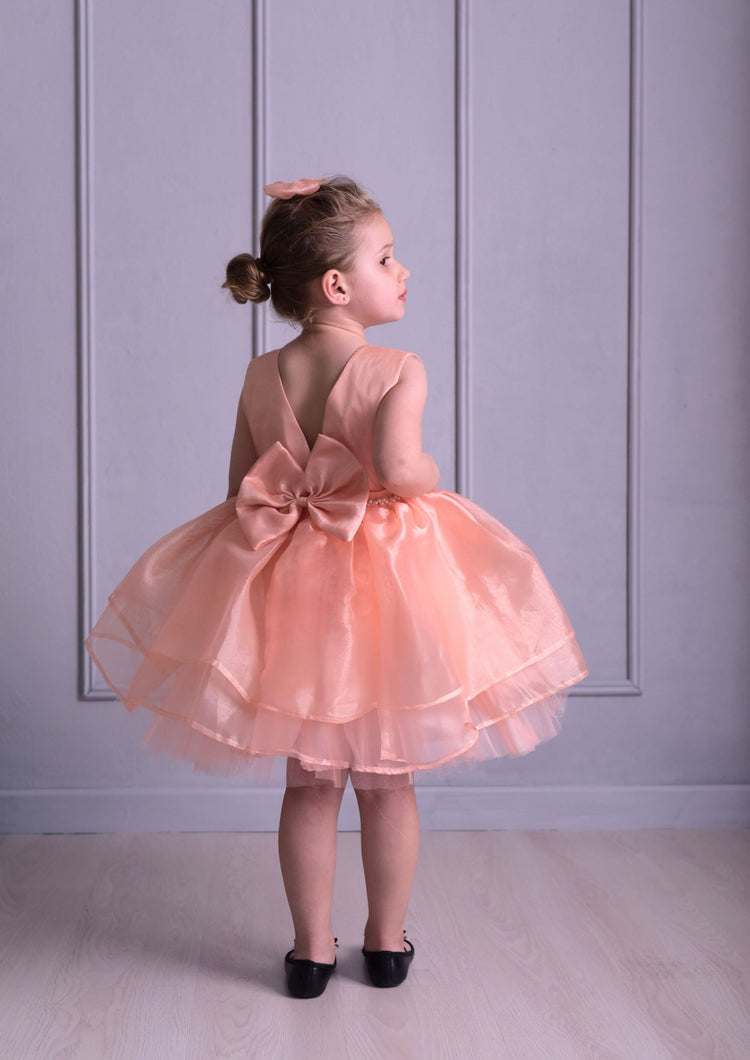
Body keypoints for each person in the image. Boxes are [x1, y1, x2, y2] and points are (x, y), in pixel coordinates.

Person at [85, 175, 588, 999]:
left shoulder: (260, 374)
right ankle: (386, 944)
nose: (405, 271)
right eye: (388, 257)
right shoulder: (395, 368)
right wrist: (424, 472)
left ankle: (309, 950)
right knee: (388, 783)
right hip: (386, 586)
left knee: (309, 780)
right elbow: (397, 470)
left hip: (292, 582)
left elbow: (242, 487)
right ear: (338, 286)